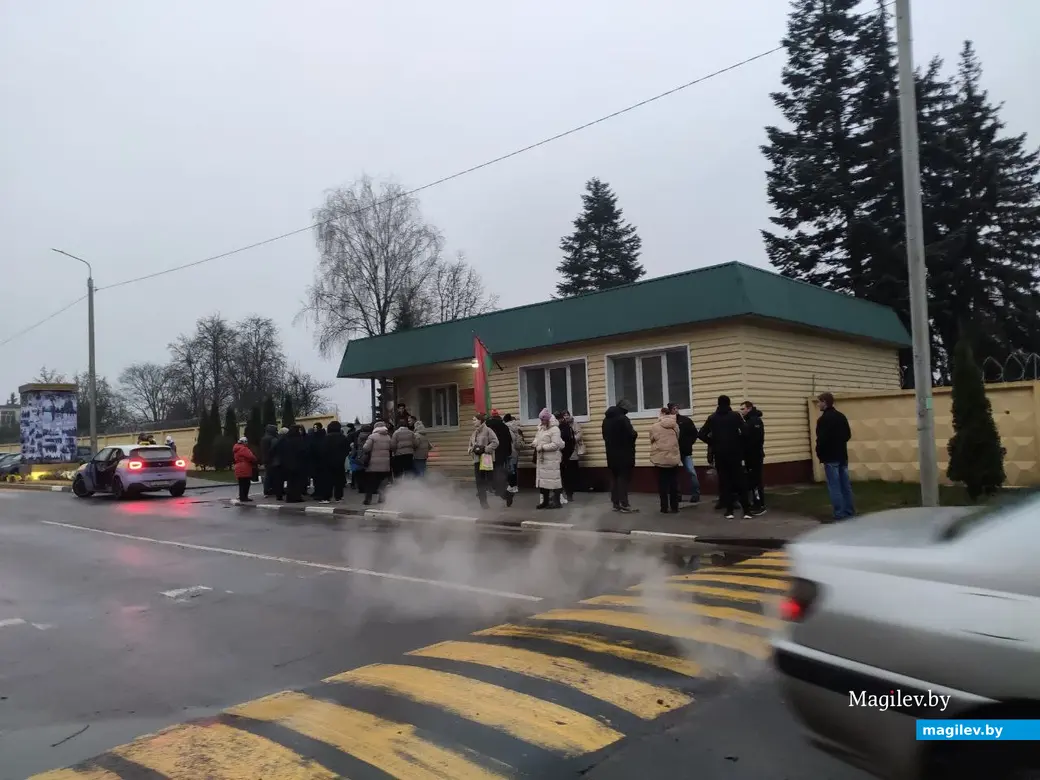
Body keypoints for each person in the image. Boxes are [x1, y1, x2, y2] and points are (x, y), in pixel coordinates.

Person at [698, 395, 752, 520]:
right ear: (729, 403)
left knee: (725, 482)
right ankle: (747, 510)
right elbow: (745, 431)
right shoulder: (735, 416)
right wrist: (739, 441)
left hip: (720, 454)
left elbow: (701, 434)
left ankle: (729, 511)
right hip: (735, 453)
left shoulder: (712, 418)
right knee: (740, 481)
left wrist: (712, 442)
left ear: (718, 404)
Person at [815, 392, 854, 521]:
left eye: (819, 402)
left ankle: (839, 513)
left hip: (830, 457)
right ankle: (849, 510)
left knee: (834, 486)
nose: (818, 404)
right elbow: (848, 435)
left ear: (825, 402)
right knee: (845, 485)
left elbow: (821, 440)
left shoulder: (823, 420)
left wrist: (820, 453)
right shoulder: (841, 416)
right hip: (842, 455)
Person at [602, 399, 638, 513]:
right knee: (623, 479)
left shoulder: (606, 420)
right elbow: (631, 435)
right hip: (624, 454)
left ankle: (615, 503)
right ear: (624, 408)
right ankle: (624, 504)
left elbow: (605, 436)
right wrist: (635, 434)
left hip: (611, 454)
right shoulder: (623, 419)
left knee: (614, 478)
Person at [649, 407, 682, 513]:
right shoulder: (675, 425)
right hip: (673, 458)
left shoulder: (655, 426)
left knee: (662, 484)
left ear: (662, 413)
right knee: (674, 483)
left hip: (660, 459)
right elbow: (678, 437)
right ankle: (675, 507)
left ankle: (664, 508)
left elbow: (652, 439)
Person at [467, 413, 501, 510]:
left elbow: (496, 442)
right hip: (477, 460)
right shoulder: (474, 433)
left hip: (486, 459)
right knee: (479, 482)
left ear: (480, 420)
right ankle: (483, 502)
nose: (473, 422)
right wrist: (471, 449)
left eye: (474, 420)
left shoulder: (488, 430)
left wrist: (485, 449)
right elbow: (470, 444)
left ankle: (505, 494)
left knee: (489, 481)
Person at [669, 402, 700, 505]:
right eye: (674, 408)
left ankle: (696, 494)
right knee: (674, 474)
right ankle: (677, 495)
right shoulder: (667, 422)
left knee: (691, 472)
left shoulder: (685, 420)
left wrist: (689, 443)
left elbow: (694, 433)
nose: (676, 410)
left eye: (677, 408)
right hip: (673, 451)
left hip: (685, 451)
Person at [532, 408, 564, 509]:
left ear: (548, 419)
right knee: (543, 481)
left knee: (554, 481)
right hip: (542, 459)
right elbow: (537, 438)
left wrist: (542, 447)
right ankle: (545, 501)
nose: (541, 422)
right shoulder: (541, 428)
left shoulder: (555, 429)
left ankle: (557, 502)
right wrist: (534, 443)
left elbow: (555, 444)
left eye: (543, 420)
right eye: (540, 420)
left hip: (552, 459)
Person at [740, 400, 766, 516]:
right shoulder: (749, 421)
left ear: (749, 408)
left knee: (755, 481)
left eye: (743, 409)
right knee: (752, 481)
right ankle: (756, 502)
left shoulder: (754, 421)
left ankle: (759, 504)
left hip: (754, 456)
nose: (741, 411)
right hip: (751, 455)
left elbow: (754, 440)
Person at [486, 409, 514, 507]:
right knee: (498, 474)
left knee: (491, 476)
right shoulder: (504, 426)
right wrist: (508, 453)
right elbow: (509, 441)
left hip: (490, 455)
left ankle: (503, 493)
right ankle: (503, 493)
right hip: (502, 455)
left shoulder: (487, 426)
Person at [362, 420, 392, 505]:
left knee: (371, 482)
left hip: (373, 464)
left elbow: (366, 448)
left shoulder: (372, 436)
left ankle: (368, 500)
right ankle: (381, 498)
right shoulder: (388, 437)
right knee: (383, 482)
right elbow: (392, 447)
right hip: (385, 464)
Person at [322, 421, 351, 502]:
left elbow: (323, 450)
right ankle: (339, 497)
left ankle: (326, 497)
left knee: (327, 480)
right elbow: (347, 449)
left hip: (327, 461)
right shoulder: (343, 437)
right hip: (339, 461)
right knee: (339, 480)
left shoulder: (326, 437)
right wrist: (342, 457)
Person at [503, 414, 527, 494]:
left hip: (509, 451)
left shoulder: (506, 428)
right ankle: (515, 486)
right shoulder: (516, 428)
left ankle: (512, 486)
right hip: (515, 452)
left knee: (510, 470)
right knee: (514, 469)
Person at [232, 436, 258, 502]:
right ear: (244, 442)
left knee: (241, 484)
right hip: (245, 467)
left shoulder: (236, 448)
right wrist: (255, 460)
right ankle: (244, 497)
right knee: (246, 483)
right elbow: (251, 456)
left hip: (238, 467)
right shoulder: (244, 449)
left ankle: (242, 497)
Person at [306, 422, 327, 498]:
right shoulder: (313, 437)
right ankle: (317, 491)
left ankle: (320, 493)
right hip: (315, 461)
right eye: (314, 427)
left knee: (320, 478)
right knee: (316, 478)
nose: (314, 428)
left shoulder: (322, 437)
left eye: (316, 427)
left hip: (320, 461)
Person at [260, 423, 279, 496]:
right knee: (272, 475)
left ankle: (267, 490)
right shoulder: (272, 438)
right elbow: (274, 449)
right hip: (272, 459)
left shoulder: (263, 438)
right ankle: (271, 489)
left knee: (268, 475)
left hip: (266, 459)